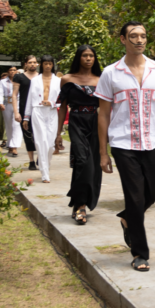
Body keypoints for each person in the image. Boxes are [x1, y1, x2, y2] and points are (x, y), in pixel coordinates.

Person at [96, 22, 155, 272]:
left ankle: (127, 218)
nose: (139, 40)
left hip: (153, 142)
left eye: (143, 36)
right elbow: (103, 115)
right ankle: (140, 253)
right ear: (122, 39)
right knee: (134, 197)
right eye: (133, 36)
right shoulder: (111, 73)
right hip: (124, 144)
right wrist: (103, 152)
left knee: (153, 191)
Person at [55, 45, 102, 224]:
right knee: (82, 161)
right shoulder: (67, 79)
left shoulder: (100, 80)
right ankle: (81, 204)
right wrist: (58, 133)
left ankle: (78, 202)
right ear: (79, 58)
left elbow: (106, 108)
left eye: (91, 56)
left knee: (91, 164)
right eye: (85, 56)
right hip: (75, 122)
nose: (89, 59)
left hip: (95, 123)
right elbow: (62, 108)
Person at [23, 56, 61, 184]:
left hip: (51, 111)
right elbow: (29, 98)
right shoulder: (35, 80)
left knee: (50, 144)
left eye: (50, 64)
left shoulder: (58, 80)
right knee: (41, 141)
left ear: (52, 65)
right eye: (45, 64)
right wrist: (26, 117)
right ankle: (45, 174)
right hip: (37, 111)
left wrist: (52, 103)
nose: (48, 66)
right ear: (42, 65)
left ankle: (46, 166)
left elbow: (62, 100)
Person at [11, 56, 39, 171]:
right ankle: (31, 161)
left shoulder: (41, 77)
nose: (32, 64)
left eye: (35, 62)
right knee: (28, 135)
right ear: (25, 64)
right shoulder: (19, 77)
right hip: (24, 110)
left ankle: (40, 158)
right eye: (30, 62)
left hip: (39, 110)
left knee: (39, 135)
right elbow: (14, 95)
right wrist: (16, 112)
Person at [0, 68, 17, 156]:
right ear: (8, 72)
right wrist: (0, 103)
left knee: (16, 125)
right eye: (10, 70)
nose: (12, 71)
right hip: (7, 104)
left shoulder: (19, 80)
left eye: (14, 70)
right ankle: (10, 145)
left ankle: (14, 147)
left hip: (18, 104)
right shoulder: (3, 82)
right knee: (9, 126)